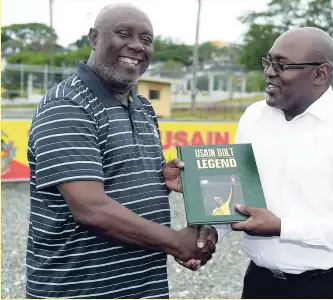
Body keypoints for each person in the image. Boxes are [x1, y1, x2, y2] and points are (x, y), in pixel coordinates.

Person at [25, 3, 217, 299]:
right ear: (93, 38)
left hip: (142, 286)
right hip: (79, 289)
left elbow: (113, 185)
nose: (137, 46)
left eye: (146, 39)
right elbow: (91, 210)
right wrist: (176, 242)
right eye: (124, 34)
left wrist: (158, 183)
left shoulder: (142, 107)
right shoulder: (67, 106)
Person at [196, 27, 333, 298]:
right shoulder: (253, 118)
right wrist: (211, 231)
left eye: (282, 65)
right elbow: (237, 193)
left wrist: (282, 227)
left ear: (320, 74)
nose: (269, 72)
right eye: (269, 61)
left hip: (330, 287)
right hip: (259, 284)